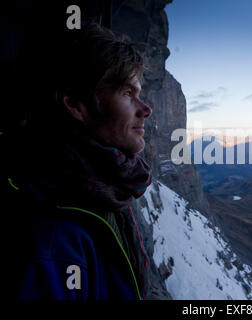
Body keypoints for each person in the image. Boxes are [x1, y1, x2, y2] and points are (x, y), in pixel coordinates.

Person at [1, 23, 153, 299]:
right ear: (75, 105)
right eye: (127, 94)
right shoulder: (54, 237)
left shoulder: (103, 190)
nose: (146, 109)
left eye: (139, 94)